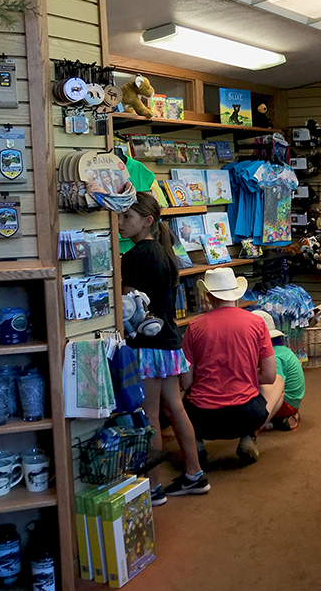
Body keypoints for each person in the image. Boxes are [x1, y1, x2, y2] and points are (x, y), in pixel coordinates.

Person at [117, 193, 209, 504]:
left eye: (126, 217)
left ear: (147, 221)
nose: (120, 222)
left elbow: (127, 306)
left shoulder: (133, 258)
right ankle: (195, 473)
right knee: (175, 408)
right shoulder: (167, 254)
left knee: (150, 417)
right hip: (170, 343)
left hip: (146, 346)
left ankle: (154, 487)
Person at [180, 269, 286, 466]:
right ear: (236, 293)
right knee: (279, 383)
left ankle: (196, 443)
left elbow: (186, 381)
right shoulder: (257, 323)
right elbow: (270, 376)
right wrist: (247, 377)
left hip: (201, 418)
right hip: (245, 415)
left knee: (181, 402)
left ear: (208, 296)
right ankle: (249, 437)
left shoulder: (193, 327)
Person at [253, 310, 306, 431]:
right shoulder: (280, 350)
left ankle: (267, 419)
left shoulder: (275, 357)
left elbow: (272, 384)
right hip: (293, 400)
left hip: (287, 403)